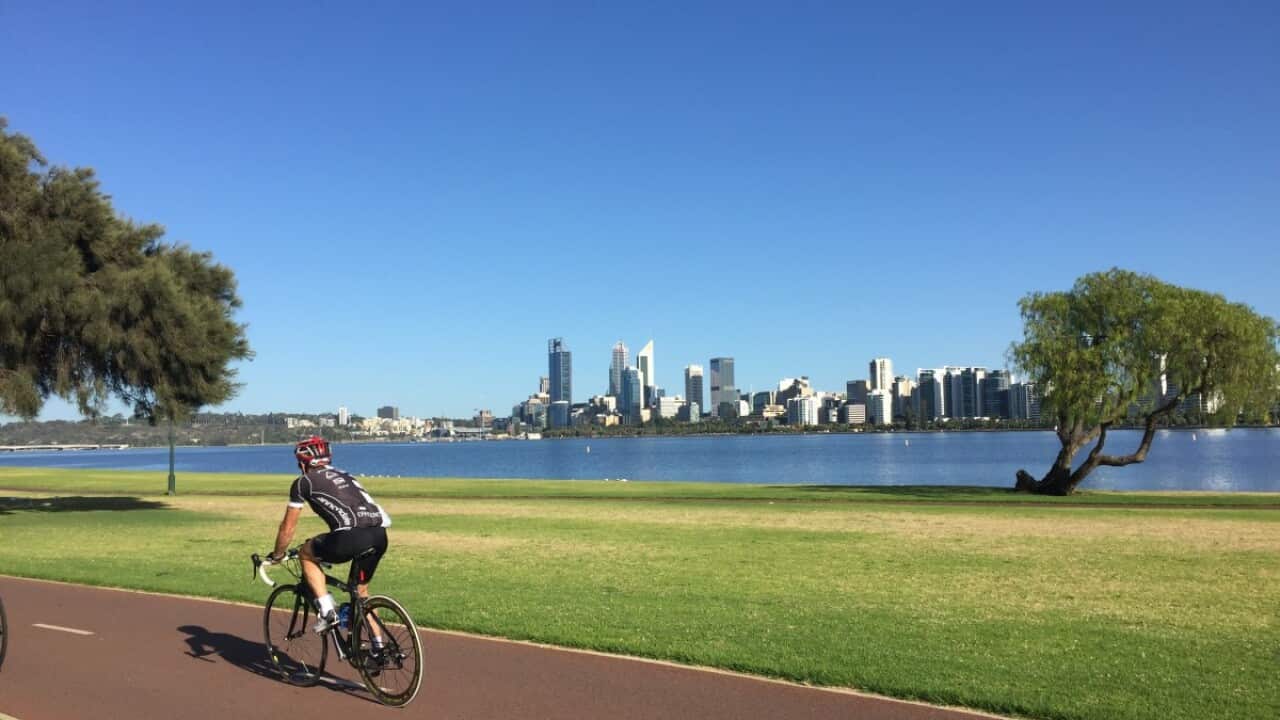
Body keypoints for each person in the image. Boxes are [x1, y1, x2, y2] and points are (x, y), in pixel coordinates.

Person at [268, 436, 392, 635]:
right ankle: (378, 646)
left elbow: (287, 529)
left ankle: (327, 612)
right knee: (361, 593)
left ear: (303, 464)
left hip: (349, 537)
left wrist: (277, 555)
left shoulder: (303, 482)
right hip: (379, 535)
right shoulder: (345, 475)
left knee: (305, 553)